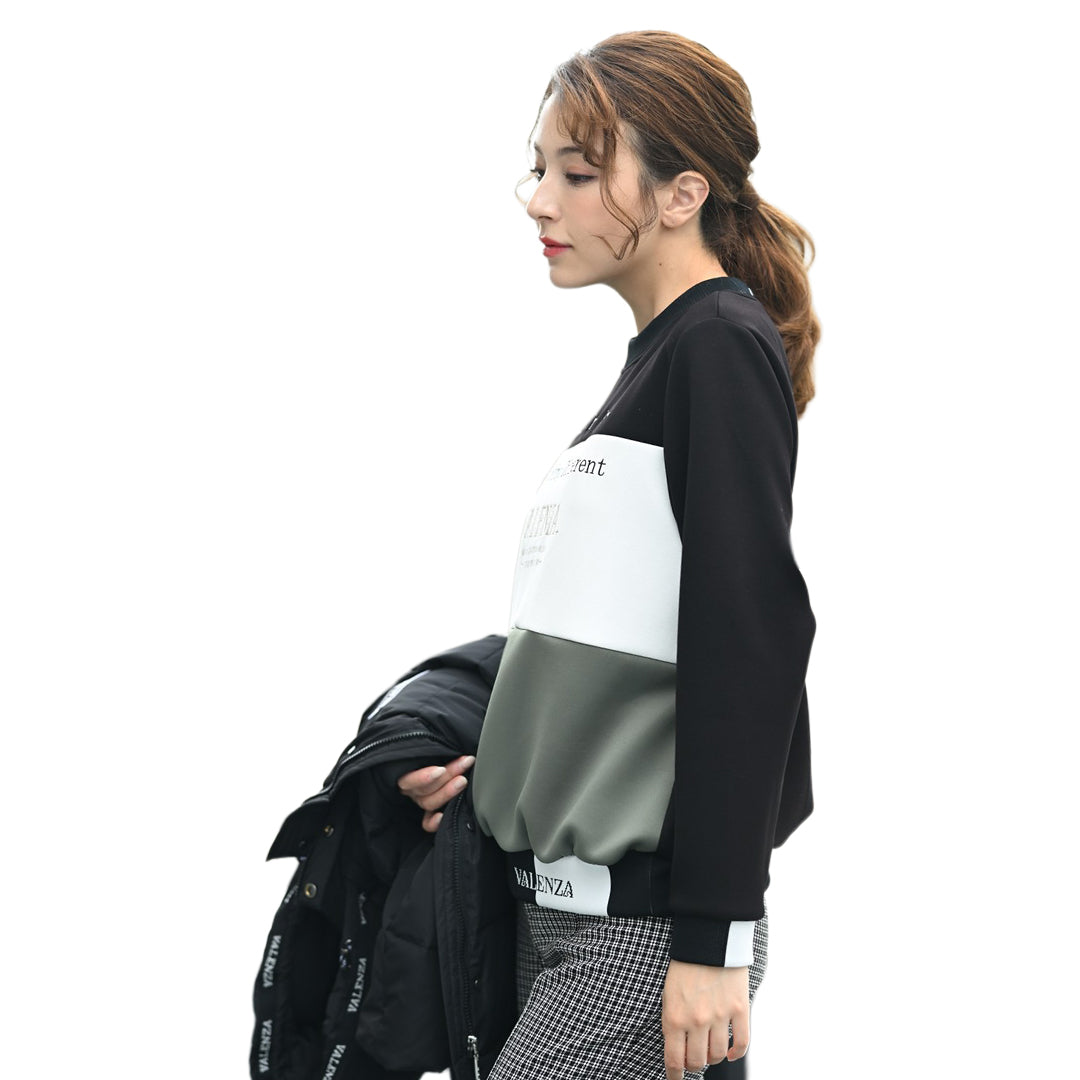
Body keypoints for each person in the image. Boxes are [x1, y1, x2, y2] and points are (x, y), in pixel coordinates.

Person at [397, 30, 819, 1080]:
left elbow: (751, 644)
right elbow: (602, 647)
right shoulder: (660, 361)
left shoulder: (716, 349)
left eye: (579, 175)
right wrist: (473, 757)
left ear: (682, 194)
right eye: (539, 169)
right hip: (561, 917)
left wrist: (714, 936)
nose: (539, 200)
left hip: (643, 936)